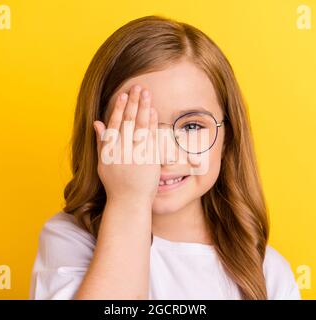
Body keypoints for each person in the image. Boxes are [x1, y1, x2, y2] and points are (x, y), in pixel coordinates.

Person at [29, 15, 301, 300]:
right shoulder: (69, 241)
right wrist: (129, 201)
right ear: (101, 139)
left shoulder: (267, 271)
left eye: (192, 126)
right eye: (139, 127)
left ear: (227, 137)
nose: (165, 154)